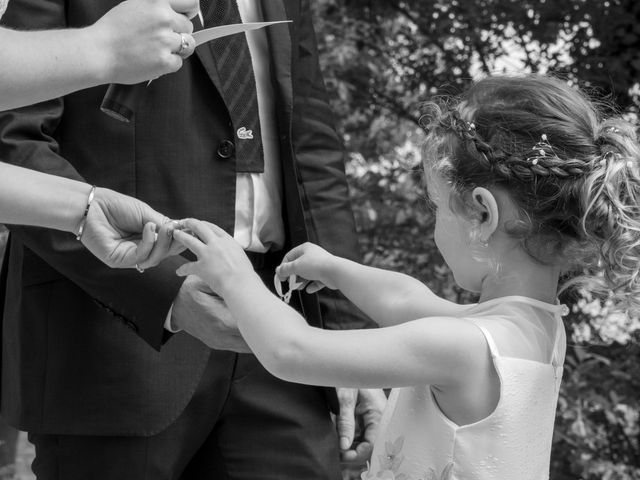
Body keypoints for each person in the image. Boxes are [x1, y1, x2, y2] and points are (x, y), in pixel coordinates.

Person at [172, 74, 640, 480]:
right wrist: (336, 269)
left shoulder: (462, 346)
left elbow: (292, 351)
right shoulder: (535, 328)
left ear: (482, 214)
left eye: (437, 207)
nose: (435, 219)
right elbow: (404, 299)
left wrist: (235, 274)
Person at [0, 1, 385, 479]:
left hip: (280, 329)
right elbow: (14, 139)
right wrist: (164, 290)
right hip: (110, 339)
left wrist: (347, 340)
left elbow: (312, 150)